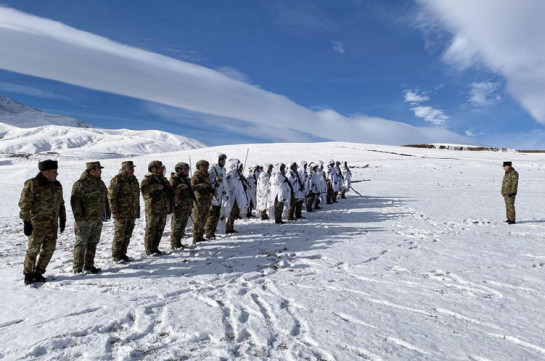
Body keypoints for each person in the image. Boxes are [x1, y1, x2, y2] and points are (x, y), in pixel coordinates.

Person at [18, 160, 66, 285]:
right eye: (54, 172)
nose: (57, 174)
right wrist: (26, 221)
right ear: (46, 173)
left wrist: (62, 218)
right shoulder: (33, 184)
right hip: (37, 225)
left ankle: (39, 272)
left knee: (49, 249)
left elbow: (61, 203)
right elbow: (24, 204)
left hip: (52, 225)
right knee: (33, 250)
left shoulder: (57, 185)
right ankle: (28, 274)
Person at [71, 161, 110, 274]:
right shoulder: (81, 184)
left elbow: (105, 197)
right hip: (85, 220)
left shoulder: (100, 183)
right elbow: (75, 202)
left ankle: (89, 265)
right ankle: (78, 267)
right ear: (92, 170)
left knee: (93, 242)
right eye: (99, 169)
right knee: (81, 243)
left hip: (97, 218)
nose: (101, 171)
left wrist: (107, 210)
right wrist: (79, 219)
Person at [108, 160, 140, 263]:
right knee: (119, 234)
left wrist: (136, 211)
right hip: (121, 212)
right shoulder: (117, 180)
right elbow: (111, 197)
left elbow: (136, 196)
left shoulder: (133, 180)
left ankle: (123, 254)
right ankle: (116, 255)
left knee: (128, 234)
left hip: (131, 212)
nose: (132, 170)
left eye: (133, 168)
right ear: (124, 168)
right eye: (130, 168)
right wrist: (114, 212)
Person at [141, 160, 173, 256]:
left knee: (160, 228)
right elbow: (144, 191)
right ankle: (149, 249)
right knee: (151, 228)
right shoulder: (147, 179)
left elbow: (169, 190)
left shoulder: (163, 179)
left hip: (163, 207)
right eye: (160, 168)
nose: (162, 169)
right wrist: (156, 186)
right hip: (153, 208)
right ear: (154, 169)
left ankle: (155, 248)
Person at [169, 162, 194, 249]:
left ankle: (179, 242)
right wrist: (181, 187)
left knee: (183, 225)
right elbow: (171, 191)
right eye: (185, 169)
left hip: (186, 205)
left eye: (188, 169)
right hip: (178, 205)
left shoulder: (186, 179)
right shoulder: (174, 178)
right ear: (179, 170)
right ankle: (174, 243)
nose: (187, 171)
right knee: (177, 225)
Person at [205, 153, 230, 240]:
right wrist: (214, 180)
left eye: (223, 160)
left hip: (220, 196)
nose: (223, 161)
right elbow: (208, 181)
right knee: (211, 215)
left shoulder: (223, 170)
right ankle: (208, 232)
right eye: (221, 160)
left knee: (216, 215)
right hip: (213, 195)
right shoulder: (212, 169)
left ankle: (212, 232)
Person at [191, 160, 215, 243]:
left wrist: (212, 190)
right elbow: (192, 187)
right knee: (198, 219)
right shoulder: (196, 176)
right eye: (204, 166)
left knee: (204, 218)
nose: (206, 168)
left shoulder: (206, 176)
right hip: (199, 200)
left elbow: (209, 186)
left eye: (207, 166)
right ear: (199, 167)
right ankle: (196, 236)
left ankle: (200, 236)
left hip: (207, 199)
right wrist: (200, 185)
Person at [226, 159, 249, 233]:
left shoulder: (238, 174)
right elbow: (231, 185)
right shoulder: (231, 175)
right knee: (230, 212)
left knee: (234, 212)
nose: (241, 168)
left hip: (236, 196)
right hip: (232, 196)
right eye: (240, 167)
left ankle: (231, 227)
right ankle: (227, 227)